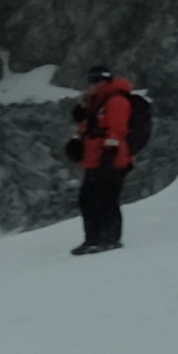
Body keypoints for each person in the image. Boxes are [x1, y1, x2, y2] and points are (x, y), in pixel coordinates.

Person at [64, 64, 154, 254]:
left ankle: (110, 239)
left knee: (105, 199)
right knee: (88, 199)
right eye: (93, 80)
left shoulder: (116, 100)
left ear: (107, 81)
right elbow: (87, 129)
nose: (94, 84)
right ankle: (94, 239)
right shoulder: (95, 103)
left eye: (99, 80)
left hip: (111, 160)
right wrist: (77, 142)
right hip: (96, 159)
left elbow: (117, 129)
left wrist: (109, 152)